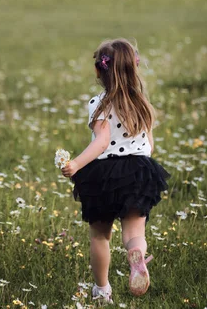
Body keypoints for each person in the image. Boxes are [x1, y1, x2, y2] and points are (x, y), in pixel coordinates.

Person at [61, 38, 171, 303]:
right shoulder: (140, 102)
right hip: (138, 170)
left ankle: (102, 291)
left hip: (104, 175)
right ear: (133, 68)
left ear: (99, 70)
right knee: (134, 233)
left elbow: (101, 143)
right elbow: (148, 142)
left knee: (100, 235)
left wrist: (76, 163)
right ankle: (136, 256)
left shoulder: (99, 103)